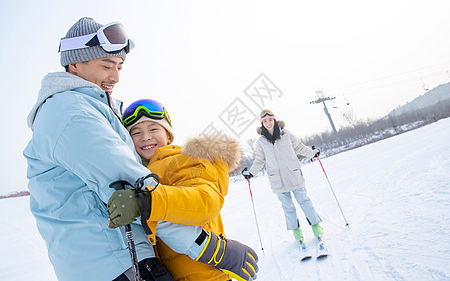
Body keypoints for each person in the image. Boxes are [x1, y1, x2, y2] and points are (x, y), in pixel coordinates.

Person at [23, 17, 257, 281]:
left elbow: (198, 198)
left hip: (118, 260)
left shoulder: (81, 110)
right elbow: (134, 192)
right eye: (107, 65)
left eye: (120, 67)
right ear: (75, 63)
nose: (115, 77)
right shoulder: (73, 115)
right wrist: (211, 248)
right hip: (116, 262)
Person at [107, 98, 258, 281]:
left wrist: (146, 200)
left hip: (203, 274)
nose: (145, 137)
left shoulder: (182, 159)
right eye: (136, 133)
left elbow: (204, 202)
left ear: (169, 135)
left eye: (153, 129)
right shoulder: (139, 174)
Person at [241, 109, 324, 243]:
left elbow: (300, 147)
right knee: (288, 207)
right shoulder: (261, 142)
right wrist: (251, 173)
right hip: (277, 180)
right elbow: (259, 160)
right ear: (262, 123)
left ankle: (316, 227)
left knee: (305, 201)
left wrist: (313, 153)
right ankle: (297, 233)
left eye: (270, 120)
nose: (268, 123)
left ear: (275, 120)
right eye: (265, 121)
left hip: (294, 174)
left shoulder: (287, 134)